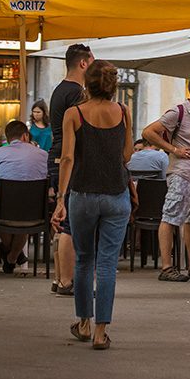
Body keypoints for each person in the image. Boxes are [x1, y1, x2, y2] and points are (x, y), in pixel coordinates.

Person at [52, 61, 133, 350]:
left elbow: (68, 158)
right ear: (113, 85)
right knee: (108, 263)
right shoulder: (123, 112)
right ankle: (101, 332)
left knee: (84, 260)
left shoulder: (74, 114)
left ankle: (84, 324)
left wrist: (60, 199)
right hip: (116, 195)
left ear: (87, 83)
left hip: (83, 195)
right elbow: (126, 155)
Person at [141, 74, 190, 283]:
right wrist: (173, 149)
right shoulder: (179, 111)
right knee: (170, 216)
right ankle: (167, 266)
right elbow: (148, 132)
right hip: (181, 171)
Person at [48, 42, 94, 297]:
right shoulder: (77, 93)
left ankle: (59, 278)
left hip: (56, 156)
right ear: (83, 63)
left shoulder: (59, 90)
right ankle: (67, 281)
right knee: (69, 224)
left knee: (61, 217)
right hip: (67, 158)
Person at [0, 120, 49, 272]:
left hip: (3, 214)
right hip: (34, 215)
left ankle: (10, 255)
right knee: (23, 213)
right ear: (25, 136)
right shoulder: (43, 155)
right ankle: (14, 257)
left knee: (0, 211)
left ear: (8, 138)